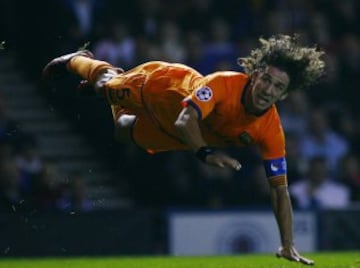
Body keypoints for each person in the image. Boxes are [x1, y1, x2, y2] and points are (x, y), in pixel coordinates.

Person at [43, 34, 325, 265]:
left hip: (173, 135)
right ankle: (80, 62)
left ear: (284, 94)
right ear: (254, 75)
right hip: (156, 88)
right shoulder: (223, 84)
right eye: (265, 79)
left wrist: (288, 244)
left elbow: (279, 190)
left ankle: (100, 90)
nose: (267, 89)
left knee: (122, 133)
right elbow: (185, 119)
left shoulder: (270, 130)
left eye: (277, 86)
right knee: (106, 85)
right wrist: (205, 154)